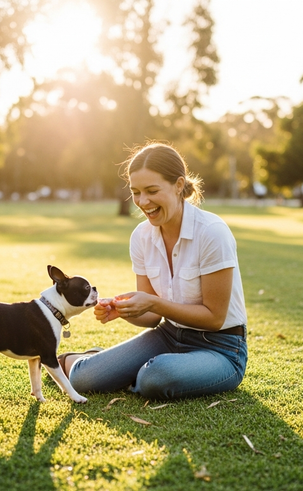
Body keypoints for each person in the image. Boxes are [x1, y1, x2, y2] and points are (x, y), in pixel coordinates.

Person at [59, 142, 248, 400]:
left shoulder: (212, 232)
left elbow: (214, 318)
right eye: (135, 192)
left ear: (179, 185)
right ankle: (91, 361)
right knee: (82, 379)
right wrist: (124, 309)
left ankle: (132, 370)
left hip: (220, 348)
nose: (142, 202)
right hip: (168, 337)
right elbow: (150, 318)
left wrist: (154, 303)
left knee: (156, 377)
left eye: (152, 191)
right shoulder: (141, 237)